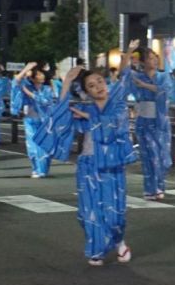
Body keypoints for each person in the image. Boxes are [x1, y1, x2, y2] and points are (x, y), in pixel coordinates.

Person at [38, 39, 140, 266]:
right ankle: (96, 250)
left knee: (114, 214)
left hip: (112, 165)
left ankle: (118, 240)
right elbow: (60, 113)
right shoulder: (84, 106)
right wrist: (67, 81)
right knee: (88, 211)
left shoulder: (118, 101)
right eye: (91, 86)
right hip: (88, 163)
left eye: (100, 81)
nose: (98, 87)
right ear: (87, 92)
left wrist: (129, 53)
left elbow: (123, 79)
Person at [131, 49, 172, 200]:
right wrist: (129, 54)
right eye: (149, 58)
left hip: (160, 122)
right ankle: (150, 189)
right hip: (144, 121)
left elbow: (163, 90)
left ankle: (159, 186)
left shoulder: (163, 76)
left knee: (160, 156)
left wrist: (143, 85)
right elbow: (124, 76)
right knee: (148, 156)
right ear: (142, 61)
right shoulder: (136, 76)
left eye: (155, 58)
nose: (154, 60)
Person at [11, 62, 56, 178]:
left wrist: (30, 94)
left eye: (42, 74)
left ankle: (43, 169)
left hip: (45, 122)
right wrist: (26, 69)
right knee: (32, 146)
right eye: (38, 74)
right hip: (30, 120)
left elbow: (45, 101)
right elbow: (16, 82)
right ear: (32, 78)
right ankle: (36, 169)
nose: (42, 76)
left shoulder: (47, 89)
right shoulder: (27, 86)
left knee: (44, 146)